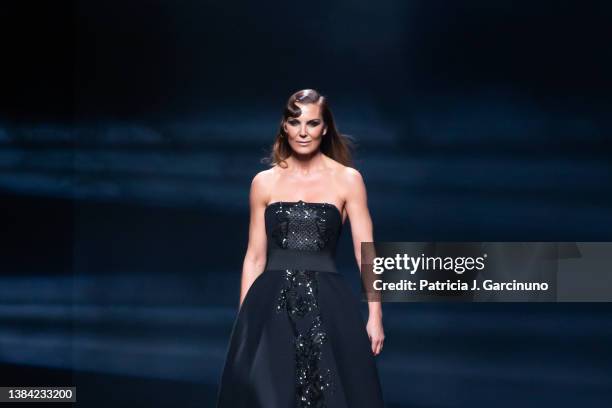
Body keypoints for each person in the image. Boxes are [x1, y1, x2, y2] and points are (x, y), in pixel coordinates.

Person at [216, 89, 385, 407]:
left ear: (325, 127)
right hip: (270, 305)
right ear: (284, 126)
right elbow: (254, 256)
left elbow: (366, 250)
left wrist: (375, 314)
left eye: (312, 122)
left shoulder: (348, 180)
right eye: (295, 122)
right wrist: (245, 323)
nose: (303, 131)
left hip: (329, 307)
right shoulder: (264, 182)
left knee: (334, 394)